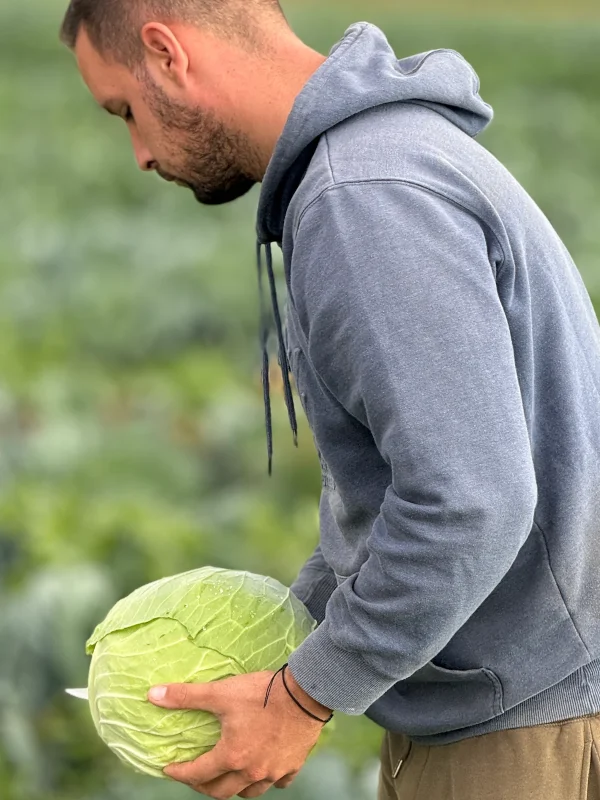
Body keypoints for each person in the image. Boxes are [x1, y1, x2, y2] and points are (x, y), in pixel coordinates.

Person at [59, 1, 600, 798]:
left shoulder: (363, 195)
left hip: (520, 732)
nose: (138, 152)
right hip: (515, 703)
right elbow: (409, 483)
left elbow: (470, 503)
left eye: (126, 112)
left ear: (167, 54)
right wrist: (299, 631)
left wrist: (305, 695)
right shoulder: (387, 159)